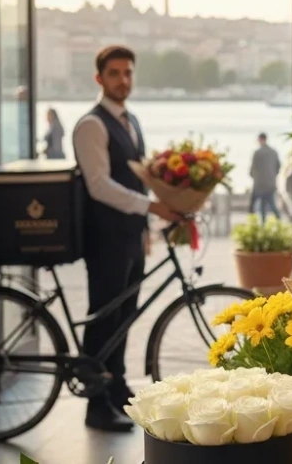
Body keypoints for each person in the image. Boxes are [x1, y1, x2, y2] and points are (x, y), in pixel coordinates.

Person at [72, 45, 181, 432]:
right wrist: (151, 207)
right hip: (104, 238)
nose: (123, 80)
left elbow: (137, 176)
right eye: (115, 73)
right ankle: (96, 404)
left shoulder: (130, 119)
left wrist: (157, 214)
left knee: (124, 318)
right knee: (104, 318)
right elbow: (99, 185)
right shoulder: (91, 125)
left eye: (128, 72)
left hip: (131, 237)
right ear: (99, 78)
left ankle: (116, 387)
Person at [249, 132, 281, 221]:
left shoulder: (257, 153)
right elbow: (278, 166)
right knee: (270, 204)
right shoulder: (273, 152)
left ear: (260, 139)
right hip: (270, 183)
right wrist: (272, 176)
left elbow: (252, 168)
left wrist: (254, 176)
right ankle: (277, 221)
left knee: (258, 205)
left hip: (260, 184)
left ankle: (260, 223)